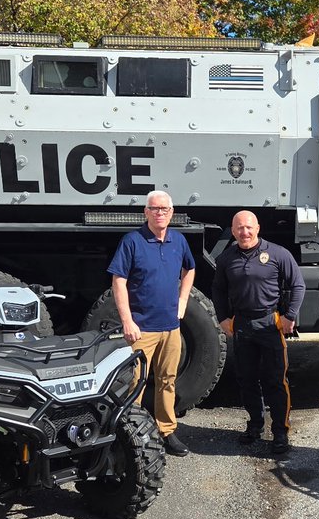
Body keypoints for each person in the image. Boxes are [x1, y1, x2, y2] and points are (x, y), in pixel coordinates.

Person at [107, 190, 196, 457]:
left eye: (165, 209)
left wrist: (182, 301)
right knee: (135, 383)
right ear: (145, 212)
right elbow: (118, 281)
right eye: (155, 209)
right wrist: (127, 321)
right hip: (141, 329)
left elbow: (190, 269)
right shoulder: (132, 241)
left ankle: (166, 430)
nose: (160, 213)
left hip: (170, 327)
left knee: (167, 380)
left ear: (171, 213)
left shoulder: (178, 241)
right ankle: (131, 434)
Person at [213, 210, 305, 456]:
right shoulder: (226, 258)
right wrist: (223, 318)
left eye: (248, 227)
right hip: (242, 324)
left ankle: (280, 431)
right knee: (246, 379)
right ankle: (255, 425)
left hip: (269, 323)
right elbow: (218, 290)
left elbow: (298, 284)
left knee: (276, 380)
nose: (244, 232)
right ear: (233, 231)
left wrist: (290, 316)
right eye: (239, 228)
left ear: (258, 228)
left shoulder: (277, 253)